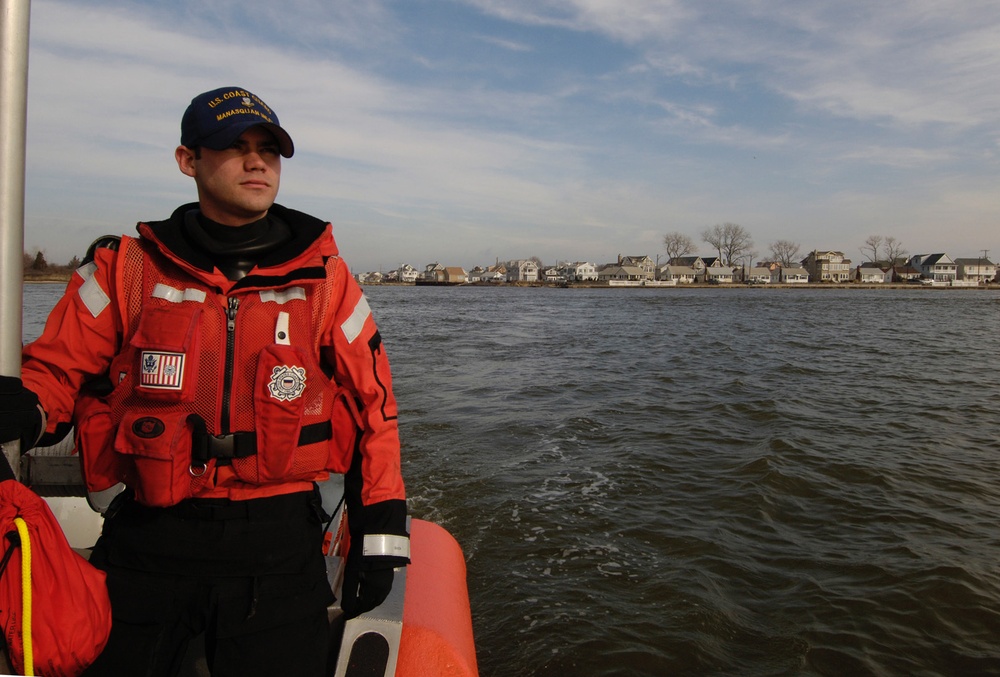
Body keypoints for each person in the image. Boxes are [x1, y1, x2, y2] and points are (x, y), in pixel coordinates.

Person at [0, 86, 409, 676]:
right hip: (149, 536)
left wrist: (380, 537)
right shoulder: (125, 269)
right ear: (187, 160)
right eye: (236, 146)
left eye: (269, 150)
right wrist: (27, 407)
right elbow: (57, 369)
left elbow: (376, 410)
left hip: (278, 546)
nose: (257, 162)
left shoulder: (326, 280)